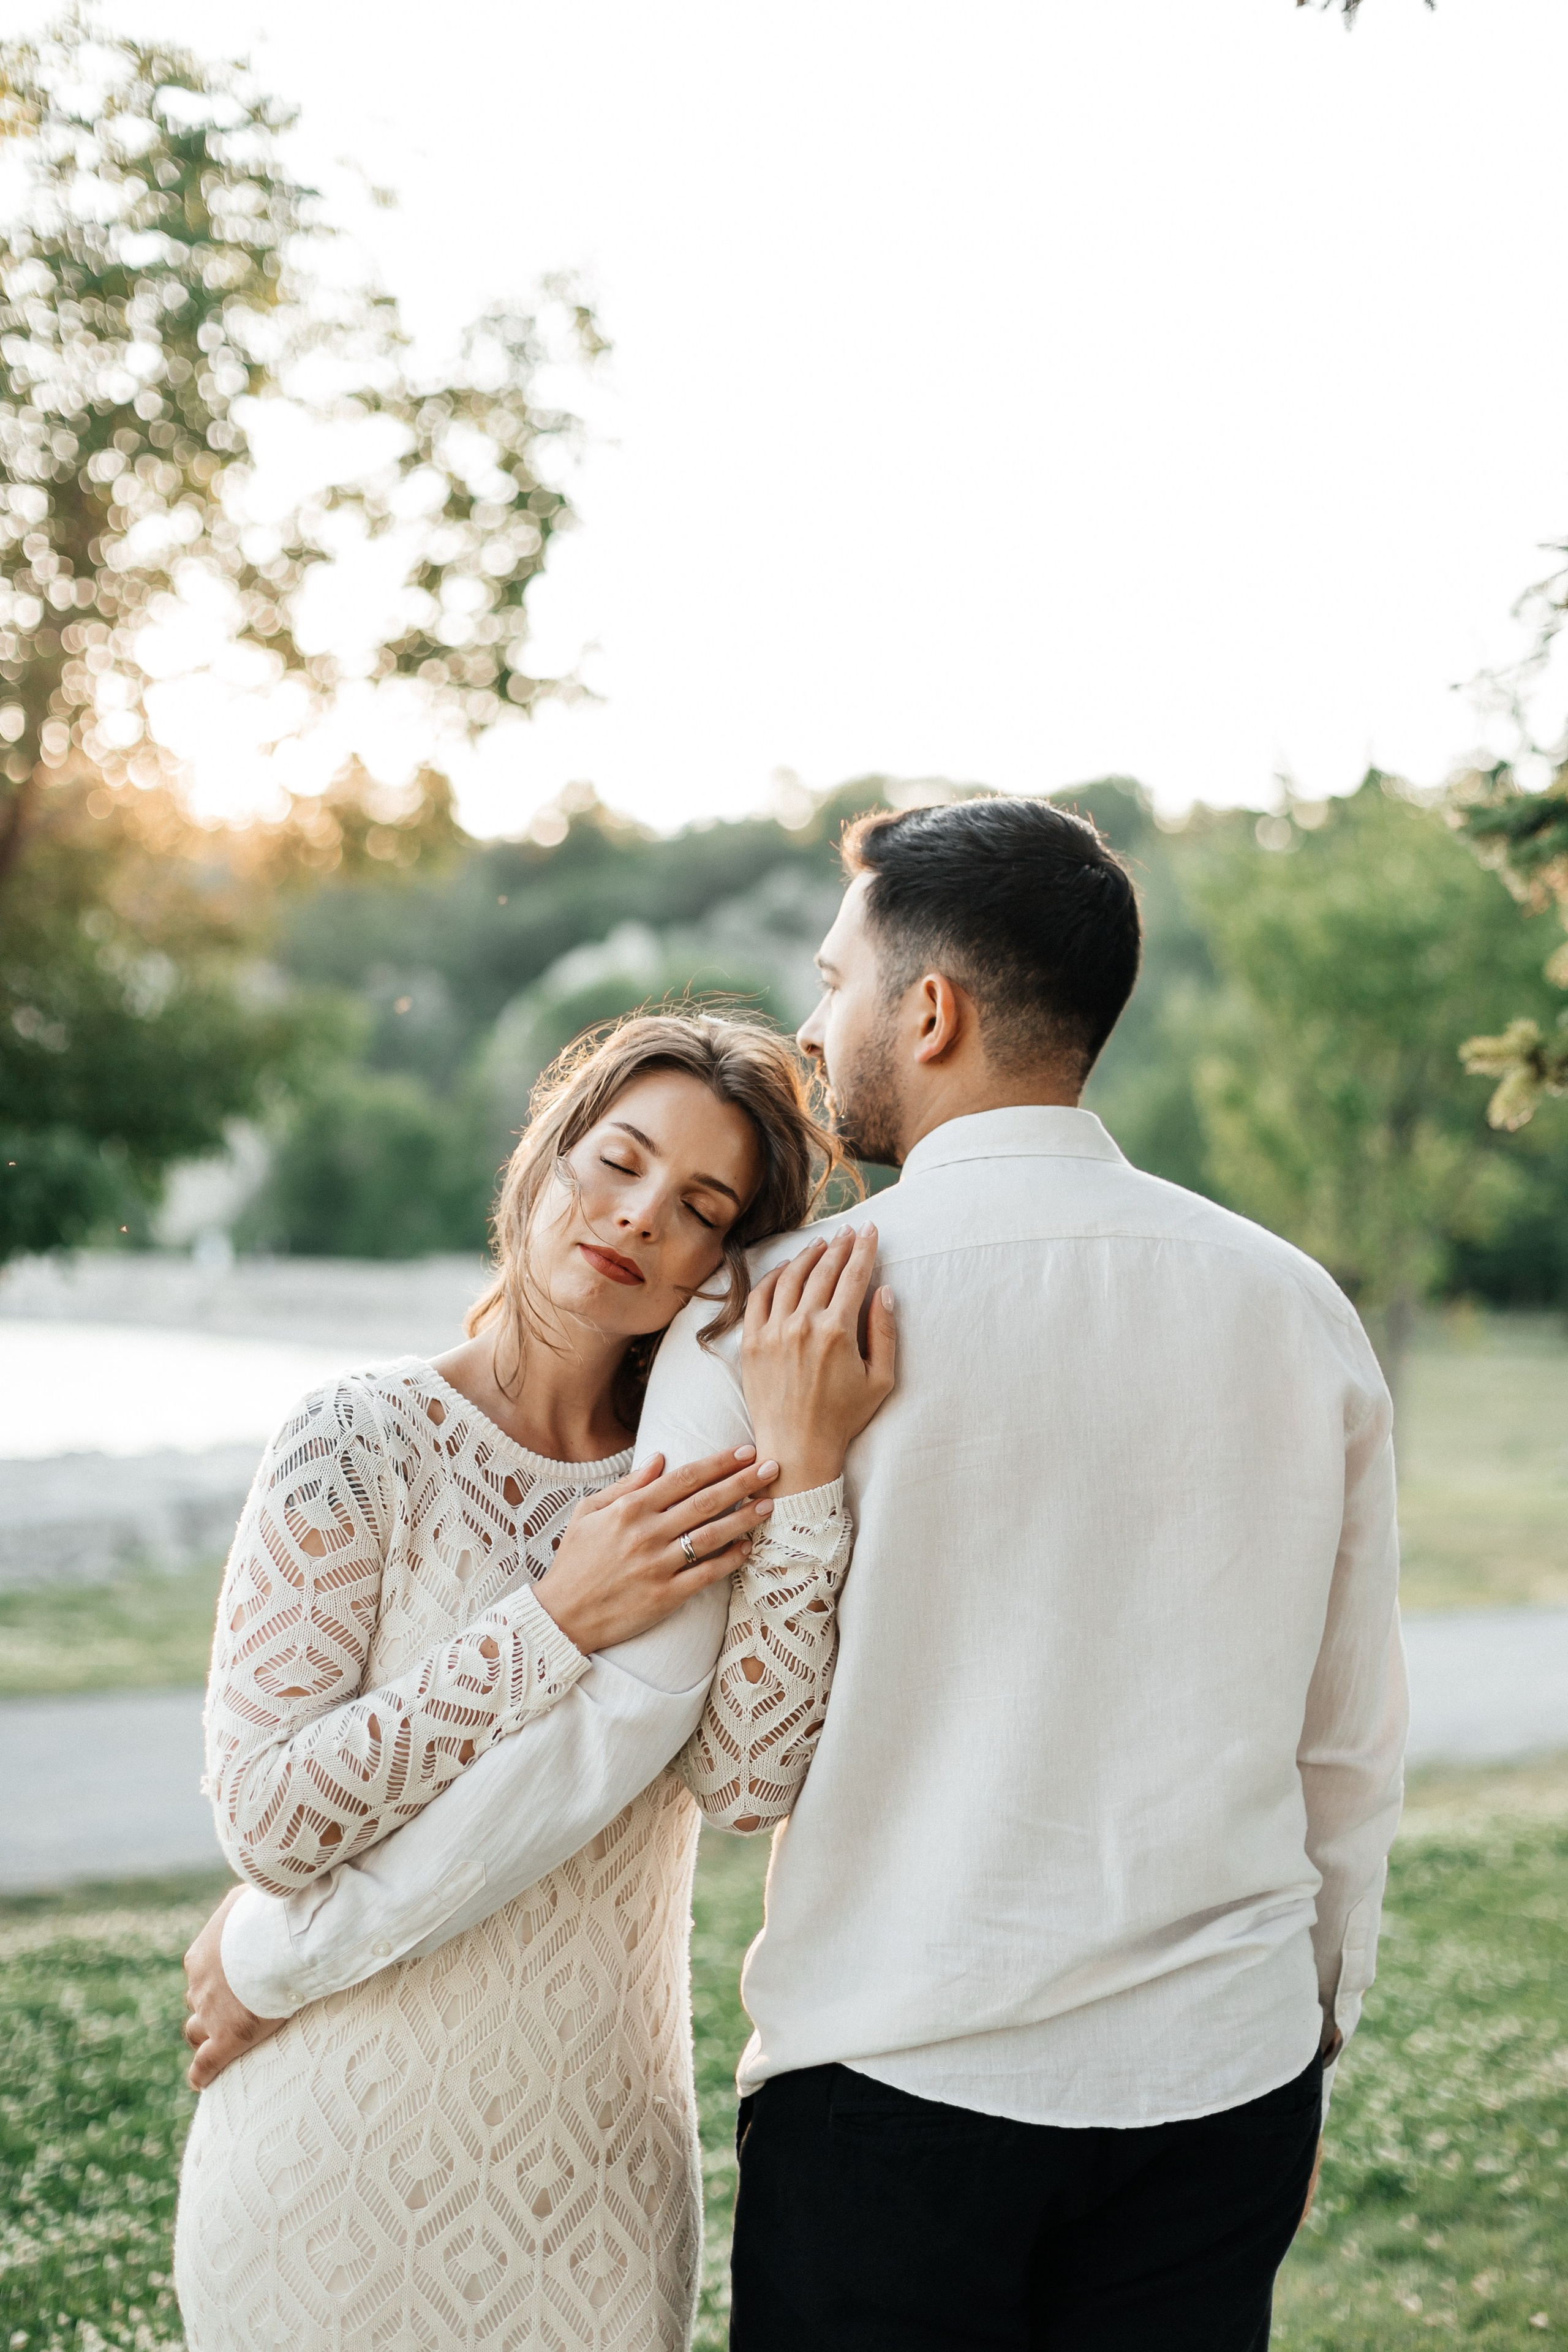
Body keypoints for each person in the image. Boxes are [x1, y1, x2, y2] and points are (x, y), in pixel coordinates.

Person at [193, 794, 1406, 2351]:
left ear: (930, 1008)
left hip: (896, 2090)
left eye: (834, 984)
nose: (818, 1027)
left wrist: (265, 1948)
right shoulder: (1297, 1307)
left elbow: (642, 1743)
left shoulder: (760, 1320)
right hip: (1216, 2089)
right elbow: (1345, 1739)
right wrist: (1306, 2043)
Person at [174, 1012, 895, 2352]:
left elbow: (747, 1783)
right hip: (323, 2159)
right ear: (543, 1155)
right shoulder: (355, 1437)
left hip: (594, 2179)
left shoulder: (693, 1483)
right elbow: (268, 1819)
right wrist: (555, 1619)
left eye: (696, 1205)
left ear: (718, 1265)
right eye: (613, 1161)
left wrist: (801, 1481)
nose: (631, 1218)